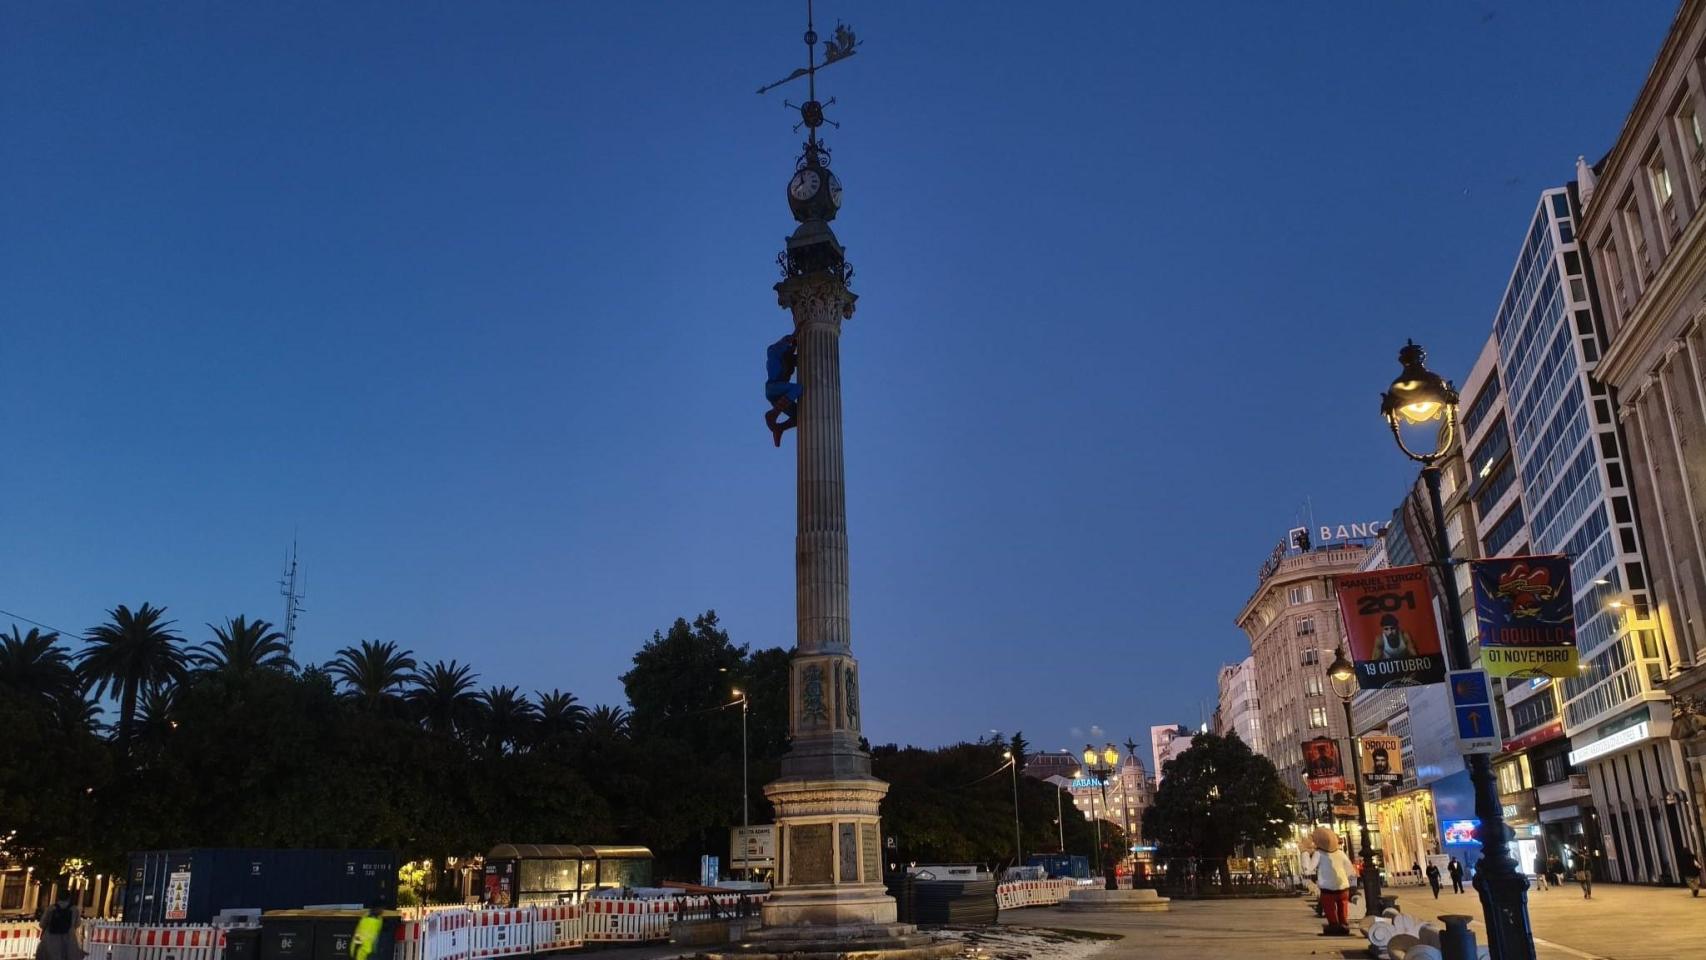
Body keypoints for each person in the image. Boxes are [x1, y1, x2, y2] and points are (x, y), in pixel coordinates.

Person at [1310, 827, 1356, 937]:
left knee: (1329, 908)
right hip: (1343, 886)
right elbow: (1350, 869)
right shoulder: (1341, 853)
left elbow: (1310, 868)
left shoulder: (1318, 854)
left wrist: (1305, 854)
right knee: (1343, 906)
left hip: (1327, 888)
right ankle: (1344, 924)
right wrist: (1353, 883)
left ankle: (1334, 925)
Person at [763, 333, 801, 447]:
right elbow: (786, 340)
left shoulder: (785, 359)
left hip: (778, 395)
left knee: (800, 416)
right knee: (797, 388)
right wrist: (797, 332)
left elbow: (800, 359)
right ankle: (773, 413)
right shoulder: (775, 352)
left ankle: (779, 428)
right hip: (773, 388)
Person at [35, 893, 84, 960]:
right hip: (68, 940)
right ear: (69, 898)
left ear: (58, 898)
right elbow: (77, 924)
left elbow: (42, 924)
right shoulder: (74, 909)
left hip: (50, 940)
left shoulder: (51, 908)